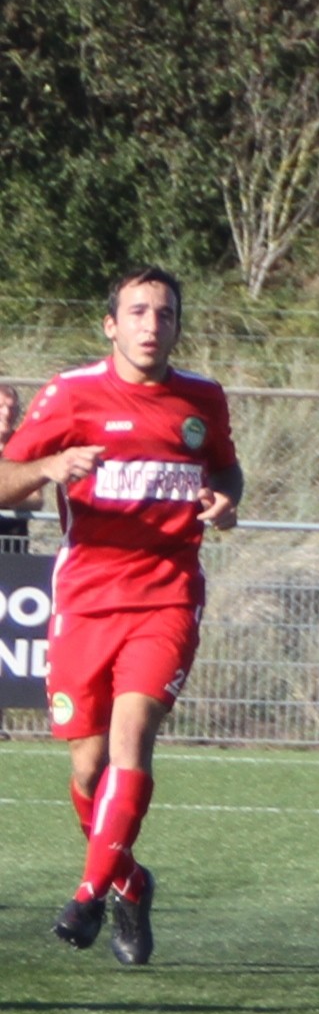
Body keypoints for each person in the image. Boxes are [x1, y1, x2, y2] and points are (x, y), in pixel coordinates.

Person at [0, 267, 244, 965]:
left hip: (167, 594)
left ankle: (85, 896)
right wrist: (49, 468)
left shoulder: (202, 400)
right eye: (136, 311)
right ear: (110, 324)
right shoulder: (71, 394)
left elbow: (226, 471)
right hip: (85, 599)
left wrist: (225, 500)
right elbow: (4, 477)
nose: (150, 324)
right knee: (87, 768)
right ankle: (130, 882)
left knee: (132, 737)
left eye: (164, 313)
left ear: (176, 326)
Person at [0, 385, 27, 553]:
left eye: (11, 408)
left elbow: (36, 500)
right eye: (1, 407)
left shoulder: (24, 445)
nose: (6, 413)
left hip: (13, 543)